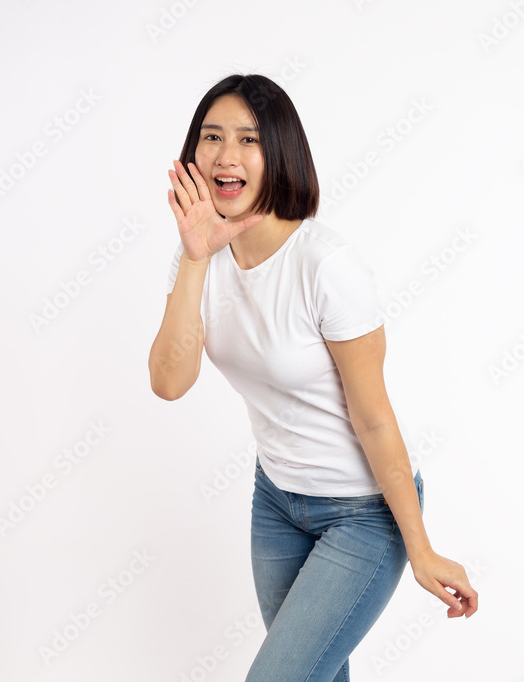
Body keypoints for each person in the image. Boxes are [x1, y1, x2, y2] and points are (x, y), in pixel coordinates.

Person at [149, 74, 477, 681]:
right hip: (276, 501)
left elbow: (373, 417)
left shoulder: (326, 266)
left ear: (280, 152)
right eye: (212, 137)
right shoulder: (198, 256)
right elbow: (170, 382)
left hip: (364, 513)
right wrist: (195, 258)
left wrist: (420, 547)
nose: (226, 155)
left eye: (248, 139)